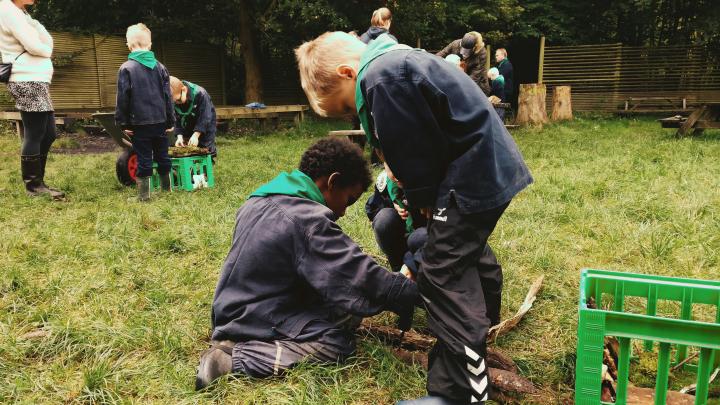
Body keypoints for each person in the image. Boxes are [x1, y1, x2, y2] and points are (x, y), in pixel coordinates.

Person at [295, 31, 533, 404]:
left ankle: (460, 392)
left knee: (441, 277)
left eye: (345, 107)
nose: (352, 114)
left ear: (347, 73)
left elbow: (413, 150)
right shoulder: (397, 60)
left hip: (470, 178)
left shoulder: (381, 76)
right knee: (448, 266)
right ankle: (454, 376)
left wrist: (422, 197)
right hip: (482, 172)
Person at [195, 137, 418, 389]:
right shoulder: (306, 219)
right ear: (332, 182)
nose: (344, 212)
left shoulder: (261, 199)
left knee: (349, 309)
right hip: (256, 316)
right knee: (337, 343)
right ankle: (231, 361)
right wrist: (408, 291)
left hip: (234, 306)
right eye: (349, 200)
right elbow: (354, 273)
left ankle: (237, 340)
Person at [0, 0, 64, 199]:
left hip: (37, 80)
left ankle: (39, 182)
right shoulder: (7, 10)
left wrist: (38, 31)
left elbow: (47, 42)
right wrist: (45, 49)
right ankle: (34, 187)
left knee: (49, 133)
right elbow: (37, 46)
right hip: (25, 79)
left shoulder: (22, 13)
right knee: (35, 132)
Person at [115, 23, 175, 201]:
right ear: (150, 45)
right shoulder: (161, 67)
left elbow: (123, 99)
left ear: (129, 45)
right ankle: (167, 190)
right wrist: (170, 121)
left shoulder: (126, 68)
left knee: (144, 158)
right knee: (163, 156)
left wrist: (123, 123)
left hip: (140, 124)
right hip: (160, 122)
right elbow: (168, 97)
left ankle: (144, 196)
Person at [365, 168, 427, 273]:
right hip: (402, 240)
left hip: (425, 239)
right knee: (384, 219)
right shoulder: (386, 183)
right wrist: (391, 203)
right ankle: (398, 268)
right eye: (390, 166)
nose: (396, 174)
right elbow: (372, 208)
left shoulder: (428, 177)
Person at [170, 76, 217, 157]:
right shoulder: (173, 99)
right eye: (174, 102)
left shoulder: (201, 94)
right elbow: (176, 119)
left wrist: (196, 135)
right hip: (187, 125)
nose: (177, 103)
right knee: (186, 151)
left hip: (205, 125)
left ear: (184, 90)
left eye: (178, 100)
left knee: (205, 151)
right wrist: (179, 136)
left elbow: (205, 117)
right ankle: (189, 169)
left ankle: (205, 167)